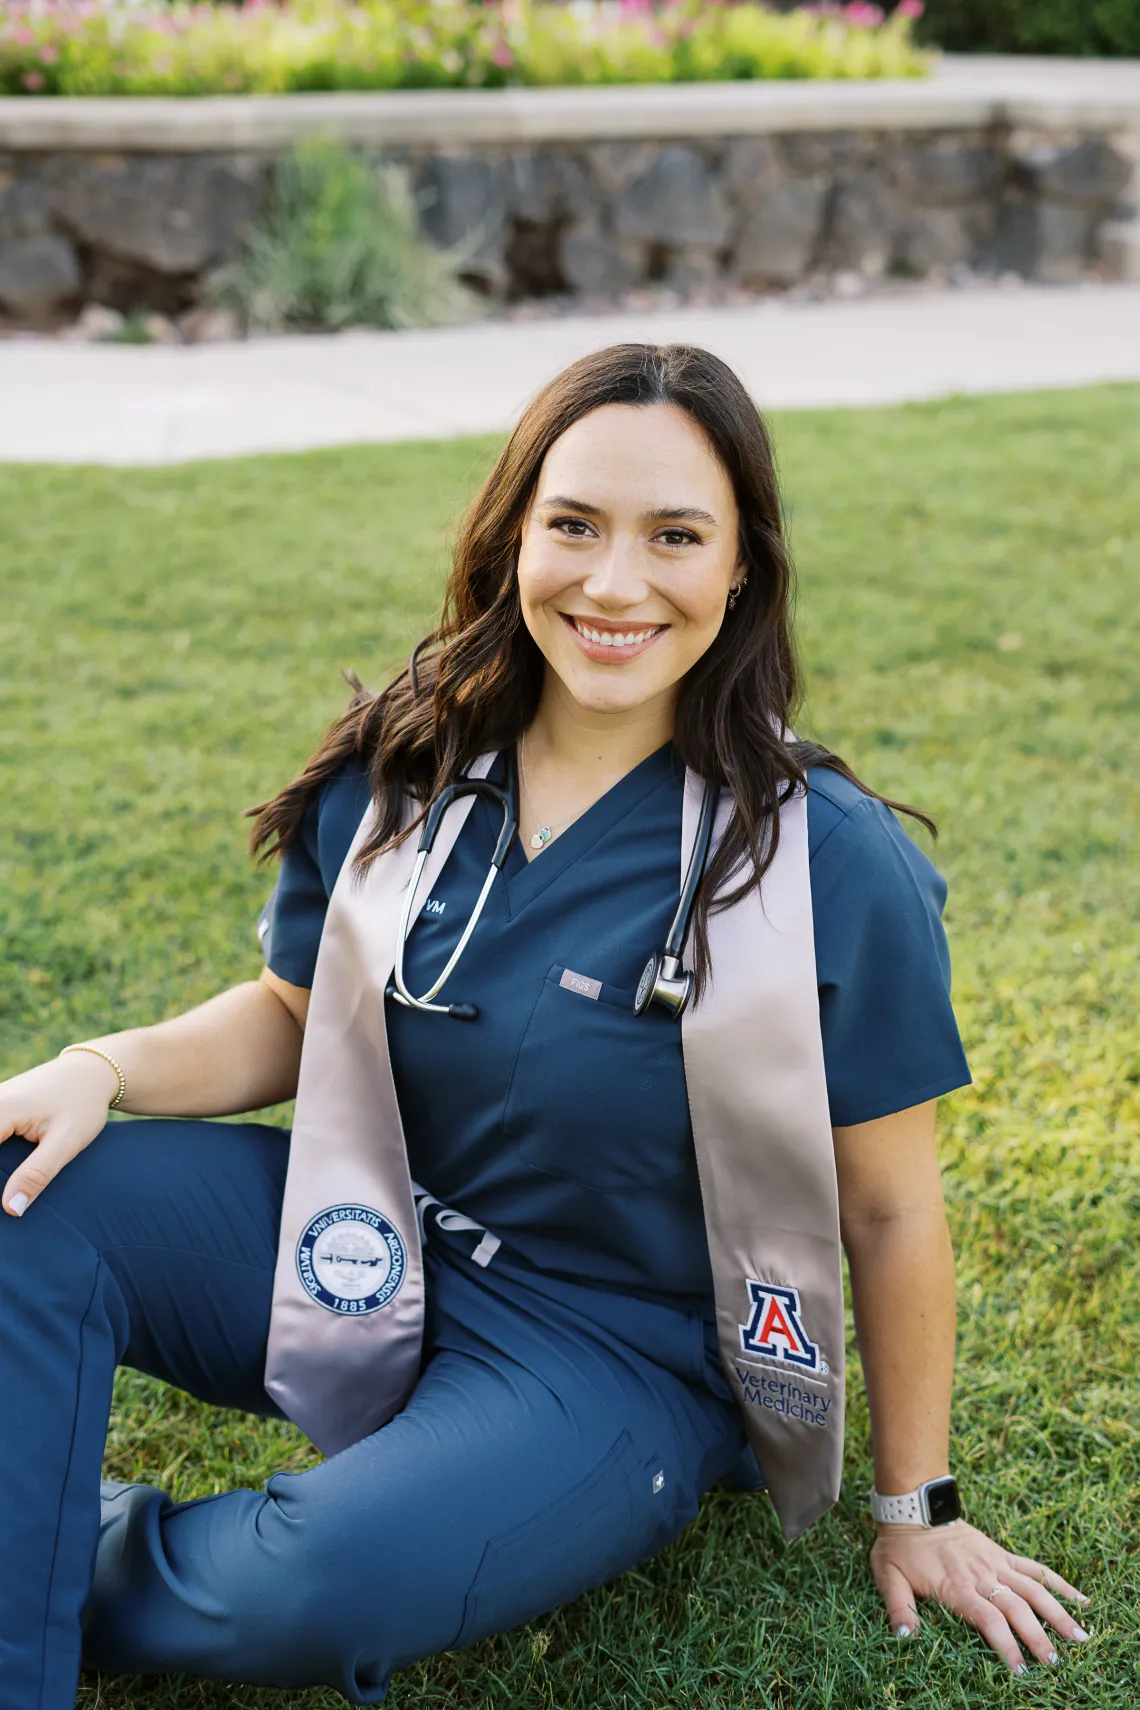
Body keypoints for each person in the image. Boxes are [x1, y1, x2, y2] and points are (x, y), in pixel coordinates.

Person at [0, 344, 1090, 1709]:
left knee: (308, 1584)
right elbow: (291, 1014)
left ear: (741, 565)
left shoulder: (822, 861)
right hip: (368, 1231)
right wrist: (99, 1067)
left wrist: (917, 1502)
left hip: (609, 1349)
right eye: (573, 523)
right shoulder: (408, 764)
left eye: (675, 536)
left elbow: (889, 1206)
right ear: (514, 531)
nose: (614, 582)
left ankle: (61, 1542)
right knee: (22, 1188)